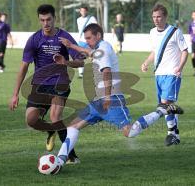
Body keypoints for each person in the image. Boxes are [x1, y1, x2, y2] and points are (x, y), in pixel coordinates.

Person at [55, 23, 184, 169]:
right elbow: (89, 52)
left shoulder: (103, 49)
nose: (87, 41)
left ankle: (163, 110)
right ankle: (59, 161)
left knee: (130, 132)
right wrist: (70, 51)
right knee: (73, 126)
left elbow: (107, 72)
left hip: (110, 99)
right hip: (97, 102)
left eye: (89, 38)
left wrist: (108, 97)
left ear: (98, 35)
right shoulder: (100, 47)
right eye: (86, 39)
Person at [9, 4, 84, 164]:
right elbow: (23, 67)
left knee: (55, 116)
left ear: (54, 19)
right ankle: (51, 131)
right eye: (42, 20)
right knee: (31, 120)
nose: (45, 23)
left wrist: (66, 63)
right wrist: (15, 94)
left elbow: (81, 62)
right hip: (39, 84)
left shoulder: (64, 37)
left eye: (48, 19)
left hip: (60, 83)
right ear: (39, 20)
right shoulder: (34, 39)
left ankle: (70, 155)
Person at [141, 4, 188, 146]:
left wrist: (179, 67)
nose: (156, 19)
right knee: (169, 105)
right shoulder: (152, 32)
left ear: (165, 17)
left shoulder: (175, 32)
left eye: (159, 16)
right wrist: (146, 62)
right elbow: (155, 51)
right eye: (154, 17)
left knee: (164, 103)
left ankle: (170, 133)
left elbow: (185, 50)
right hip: (159, 74)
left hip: (172, 73)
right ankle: (175, 135)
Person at [76, 6, 97, 78]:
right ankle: (81, 73)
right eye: (82, 11)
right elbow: (79, 30)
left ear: (87, 11)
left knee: (92, 57)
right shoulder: (78, 19)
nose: (83, 12)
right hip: (81, 41)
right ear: (80, 12)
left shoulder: (92, 18)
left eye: (84, 11)